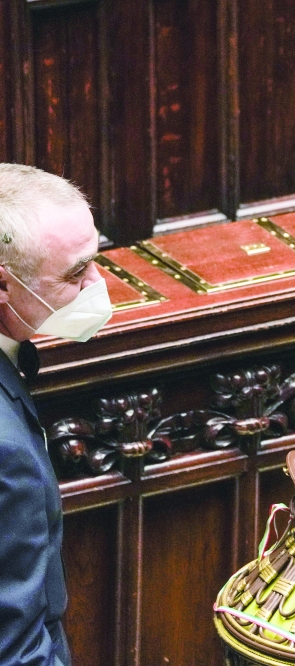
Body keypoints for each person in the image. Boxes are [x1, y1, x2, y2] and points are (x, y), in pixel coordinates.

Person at [0, 163, 113, 666]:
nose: (97, 283)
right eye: (75, 273)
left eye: (95, 259)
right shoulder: (6, 454)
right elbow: (15, 646)